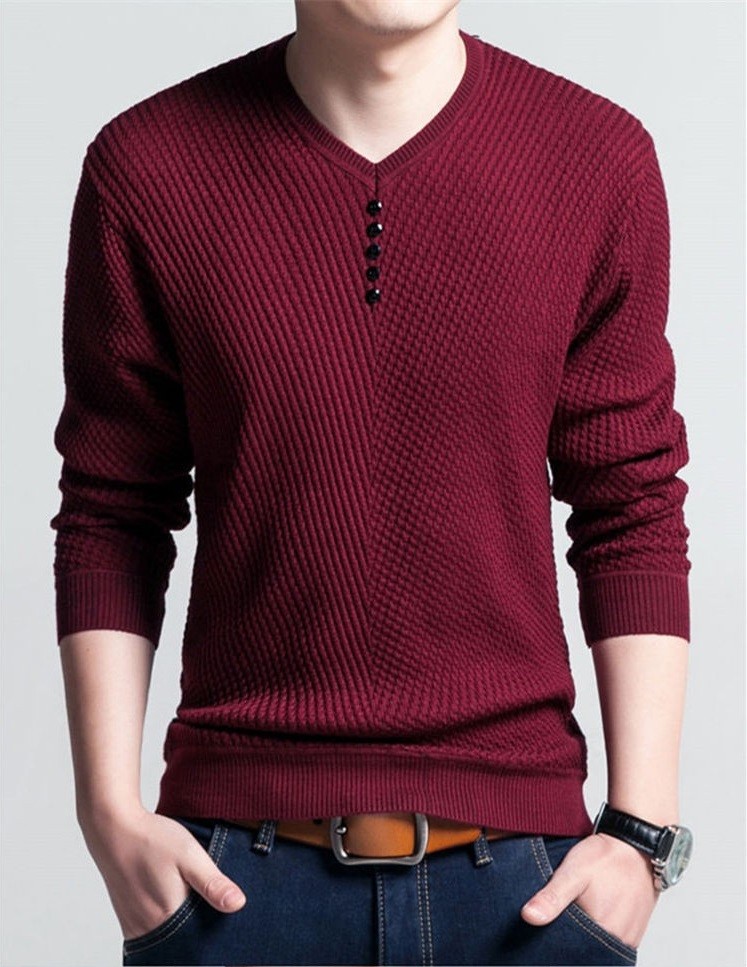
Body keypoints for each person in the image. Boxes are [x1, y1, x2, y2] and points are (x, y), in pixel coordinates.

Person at [49, 1, 694, 965]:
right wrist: (106, 813)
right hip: (233, 879)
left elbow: (630, 501)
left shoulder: (596, 158)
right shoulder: (147, 165)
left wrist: (641, 837)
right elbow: (112, 504)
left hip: (524, 886)